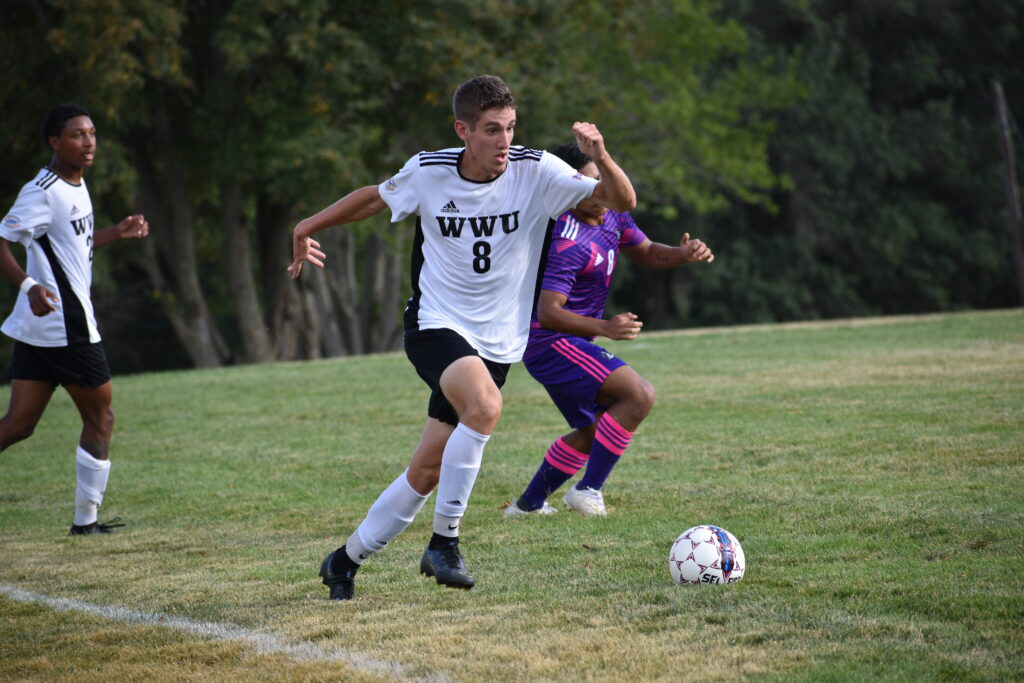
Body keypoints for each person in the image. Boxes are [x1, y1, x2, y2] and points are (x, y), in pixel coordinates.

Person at [289, 75, 636, 600]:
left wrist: (602, 155)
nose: (504, 140)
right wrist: (305, 227)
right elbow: (373, 199)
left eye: (511, 128)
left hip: (497, 341)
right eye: (492, 130)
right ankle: (444, 543)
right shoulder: (429, 171)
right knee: (485, 406)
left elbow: (621, 200)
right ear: (464, 131)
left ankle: (343, 561)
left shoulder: (536, 170)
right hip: (435, 324)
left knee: (427, 469)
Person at [505, 142, 713, 518]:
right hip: (549, 342)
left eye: (600, 180)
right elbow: (549, 313)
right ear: (566, 188)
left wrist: (681, 254)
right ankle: (588, 490)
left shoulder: (612, 215)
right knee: (639, 395)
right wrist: (606, 326)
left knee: (590, 433)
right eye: (588, 184)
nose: (599, 191)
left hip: (568, 342)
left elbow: (647, 251)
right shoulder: (566, 239)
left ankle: (528, 507)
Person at [0, 104, 150, 535]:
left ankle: (86, 522)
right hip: (68, 329)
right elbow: (2, 242)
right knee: (101, 419)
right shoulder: (43, 190)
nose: (89, 143)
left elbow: (71, 249)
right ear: (54, 142)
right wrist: (30, 287)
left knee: (18, 426)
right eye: (77, 135)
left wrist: (115, 233)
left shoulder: (76, 185)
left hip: (40, 331)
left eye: (92, 134)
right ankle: (86, 523)